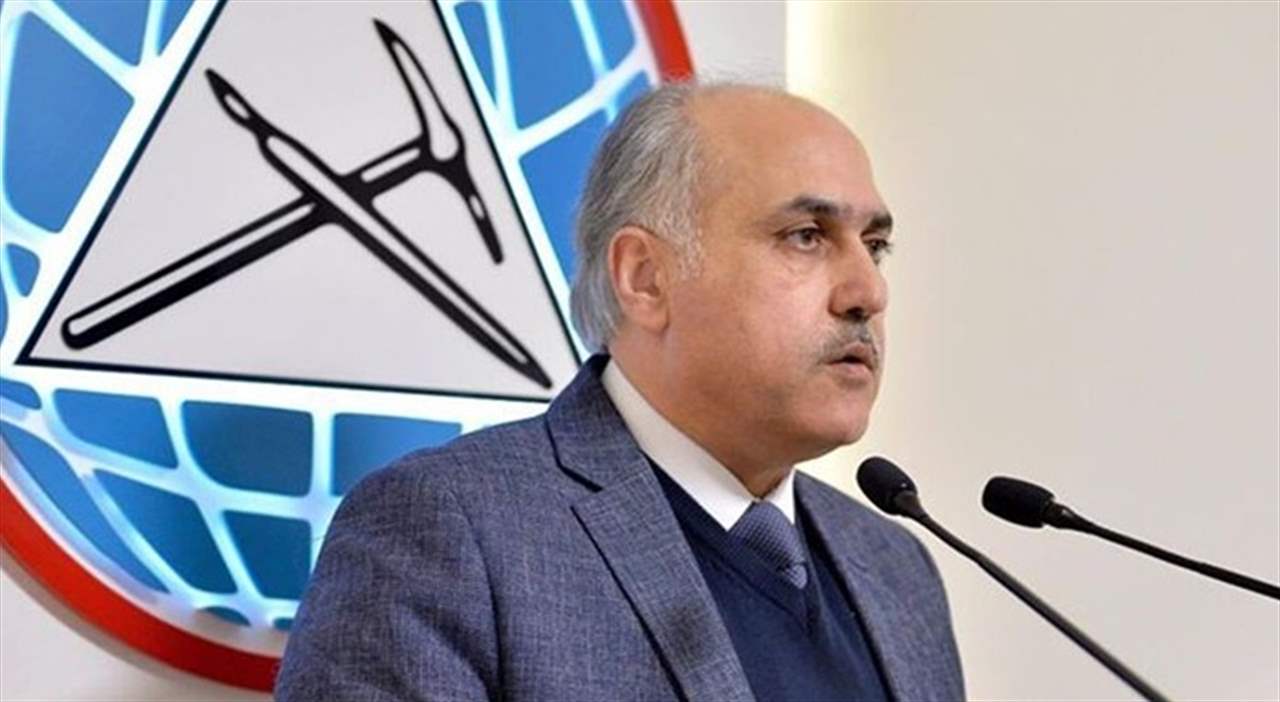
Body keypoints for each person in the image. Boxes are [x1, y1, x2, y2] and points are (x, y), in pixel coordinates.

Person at [275, 82, 964, 702]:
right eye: (806, 236)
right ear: (645, 278)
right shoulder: (455, 531)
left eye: (875, 246)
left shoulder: (895, 567)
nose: (868, 292)